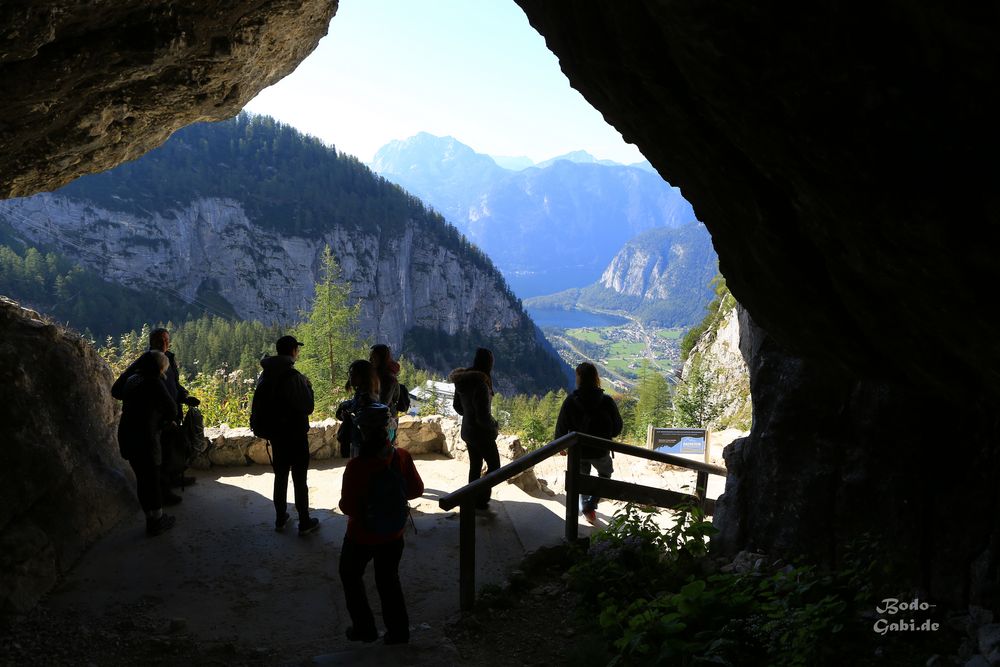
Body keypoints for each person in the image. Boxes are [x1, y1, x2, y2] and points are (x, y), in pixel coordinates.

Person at [338, 400, 424, 645]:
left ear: (361, 431)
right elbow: (417, 490)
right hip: (394, 534)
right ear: (388, 429)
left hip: (361, 536)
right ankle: (398, 632)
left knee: (350, 575)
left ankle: (364, 629)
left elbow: (347, 507)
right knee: (388, 580)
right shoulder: (402, 457)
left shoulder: (356, 467)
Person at [258, 334, 319, 535]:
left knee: (281, 476)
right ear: (293, 351)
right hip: (295, 434)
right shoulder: (294, 377)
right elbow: (308, 407)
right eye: (297, 350)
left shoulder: (266, 375)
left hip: (276, 435)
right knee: (300, 478)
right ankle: (304, 521)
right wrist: (308, 387)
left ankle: (280, 519)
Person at [113, 350, 178, 536]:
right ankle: (157, 521)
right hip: (146, 436)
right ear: (159, 367)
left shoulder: (133, 379)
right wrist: (163, 424)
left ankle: (150, 517)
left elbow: (115, 391)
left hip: (127, 433)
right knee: (152, 479)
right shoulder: (154, 381)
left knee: (141, 479)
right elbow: (171, 409)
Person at [553, 362, 624, 524]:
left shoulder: (570, 401)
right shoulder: (607, 401)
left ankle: (585, 506)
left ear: (579, 378)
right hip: (600, 450)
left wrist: (560, 445)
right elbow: (617, 428)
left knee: (581, 478)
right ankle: (591, 504)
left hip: (579, 451)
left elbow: (561, 427)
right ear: (595, 378)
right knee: (605, 475)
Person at [148, 328, 200, 491]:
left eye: (166, 340)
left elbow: (174, 385)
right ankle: (165, 489)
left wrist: (184, 397)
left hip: (174, 410)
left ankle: (175, 478)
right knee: (162, 452)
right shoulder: (149, 362)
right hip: (159, 416)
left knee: (174, 448)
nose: (164, 343)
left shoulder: (169, 358)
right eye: (160, 340)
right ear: (151, 343)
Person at [448, 348, 500, 510]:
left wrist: (468, 414)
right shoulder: (481, 385)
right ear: (488, 364)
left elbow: (457, 406)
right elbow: (483, 417)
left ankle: (472, 498)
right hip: (482, 434)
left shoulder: (462, 381)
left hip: (468, 431)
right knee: (494, 467)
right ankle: (482, 499)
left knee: (475, 466)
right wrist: (495, 426)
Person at [336, 359, 380, 458]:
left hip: (363, 443)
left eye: (353, 374)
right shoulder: (366, 394)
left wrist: (348, 416)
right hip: (362, 441)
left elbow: (361, 421)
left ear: (363, 377)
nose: (350, 377)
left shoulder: (365, 398)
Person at [369, 344, 401, 442]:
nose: (370, 359)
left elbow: (383, 403)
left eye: (373, 356)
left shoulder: (388, 378)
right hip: (382, 418)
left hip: (386, 420)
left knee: (384, 451)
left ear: (381, 358)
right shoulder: (378, 374)